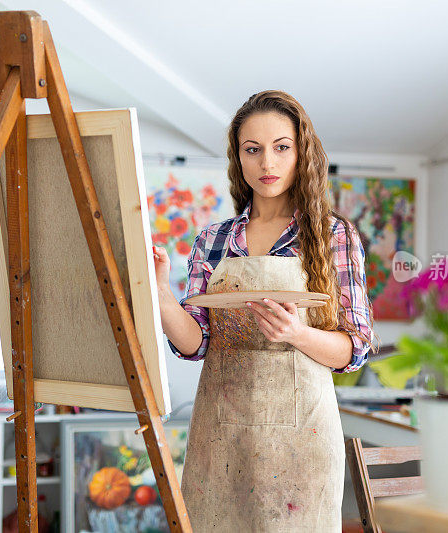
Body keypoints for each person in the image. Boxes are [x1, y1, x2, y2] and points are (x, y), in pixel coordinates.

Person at [153, 90, 377, 532]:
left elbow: (355, 349)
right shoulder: (213, 240)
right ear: (239, 159)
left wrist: (298, 334)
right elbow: (196, 344)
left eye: (281, 147)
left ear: (302, 152)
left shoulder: (333, 235)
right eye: (252, 150)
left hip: (303, 442)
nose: (267, 164)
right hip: (222, 438)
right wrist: (160, 292)